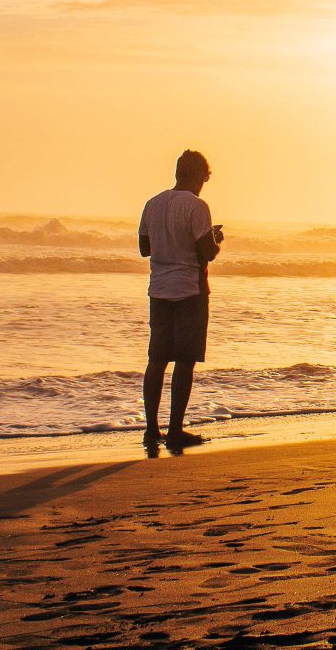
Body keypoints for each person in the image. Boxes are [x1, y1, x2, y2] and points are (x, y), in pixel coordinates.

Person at [138, 149, 223, 448]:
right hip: (190, 290)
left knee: (157, 360)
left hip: (159, 290)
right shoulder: (197, 206)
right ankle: (175, 429)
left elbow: (144, 248)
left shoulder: (153, 204)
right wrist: (216, 239)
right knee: (185, 361)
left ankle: (151, 429)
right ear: (200, 176)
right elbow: (207, 252)